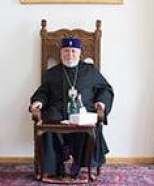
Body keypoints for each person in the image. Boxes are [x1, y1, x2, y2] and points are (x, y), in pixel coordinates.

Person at [29, 36, 114, 178]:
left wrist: (101, 102)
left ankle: (81, 164)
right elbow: (44, 91)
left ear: (79, 53)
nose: (70, 55)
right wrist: (39, 101)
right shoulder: (52, 73)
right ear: (61, 53)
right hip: (57, 112)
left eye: (73, 51)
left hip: (83, 110)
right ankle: (55, 166)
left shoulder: (90, 71)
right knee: (49, 122)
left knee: (87, 124)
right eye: (66, 51)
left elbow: (105, 89)